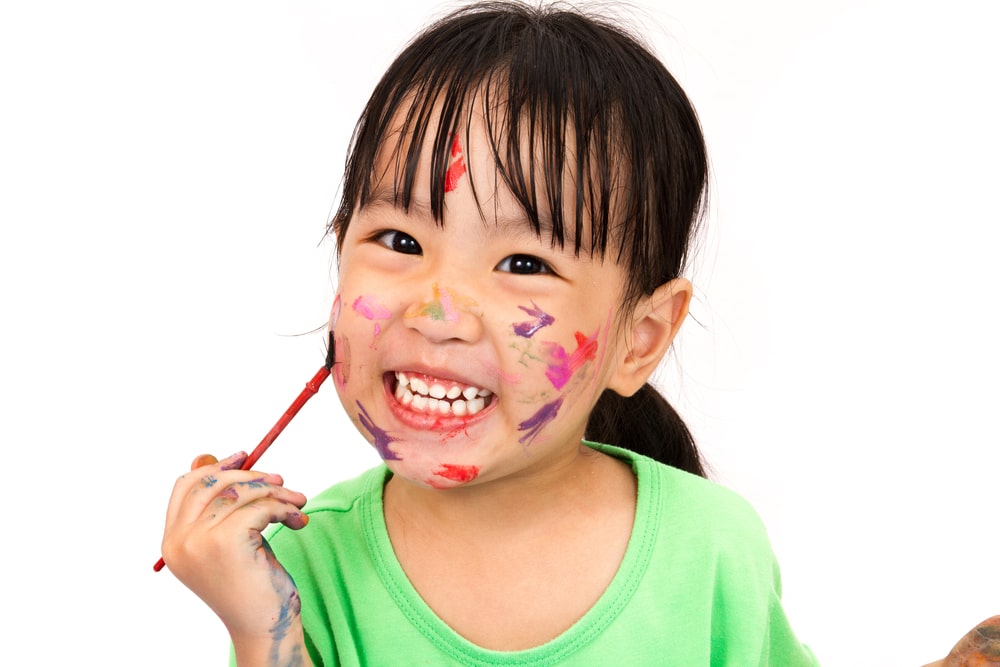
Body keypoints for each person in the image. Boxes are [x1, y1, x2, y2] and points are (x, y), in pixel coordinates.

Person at [160, 2, 824, 664]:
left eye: (525, 263)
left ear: (640, 339)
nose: (438, 311)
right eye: (399, 240)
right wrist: (261, 629)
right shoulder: (304, 567)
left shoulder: (712, 549)